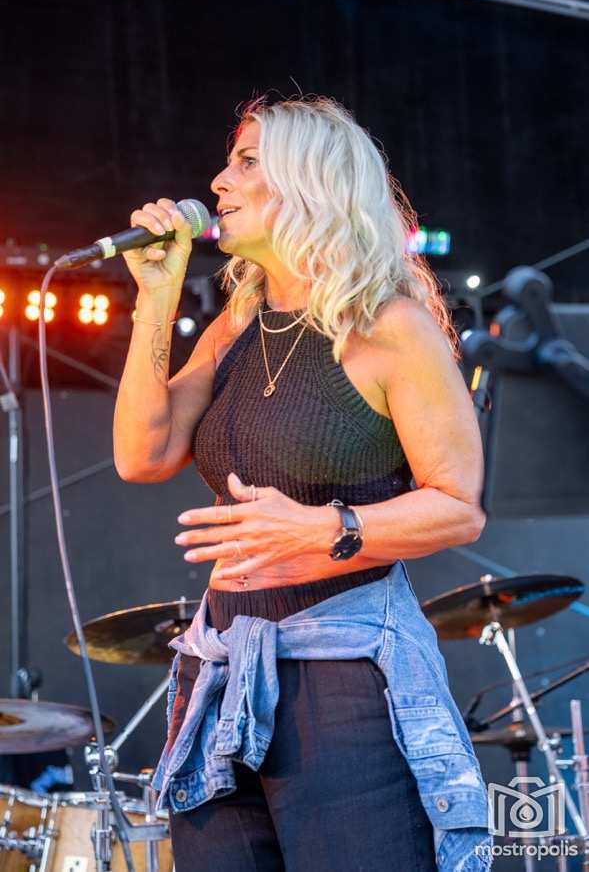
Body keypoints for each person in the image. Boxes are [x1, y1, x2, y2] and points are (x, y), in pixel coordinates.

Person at [113, 97, 492, 872]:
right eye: (228, 161)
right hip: (223, 668)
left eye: (247, 161)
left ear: (311, 181)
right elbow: (142, 453)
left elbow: (458, 507)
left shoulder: (389, 327)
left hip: (342, 675)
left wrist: (322, 528)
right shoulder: (235, 326)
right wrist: (155, 297)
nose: (218, 181)